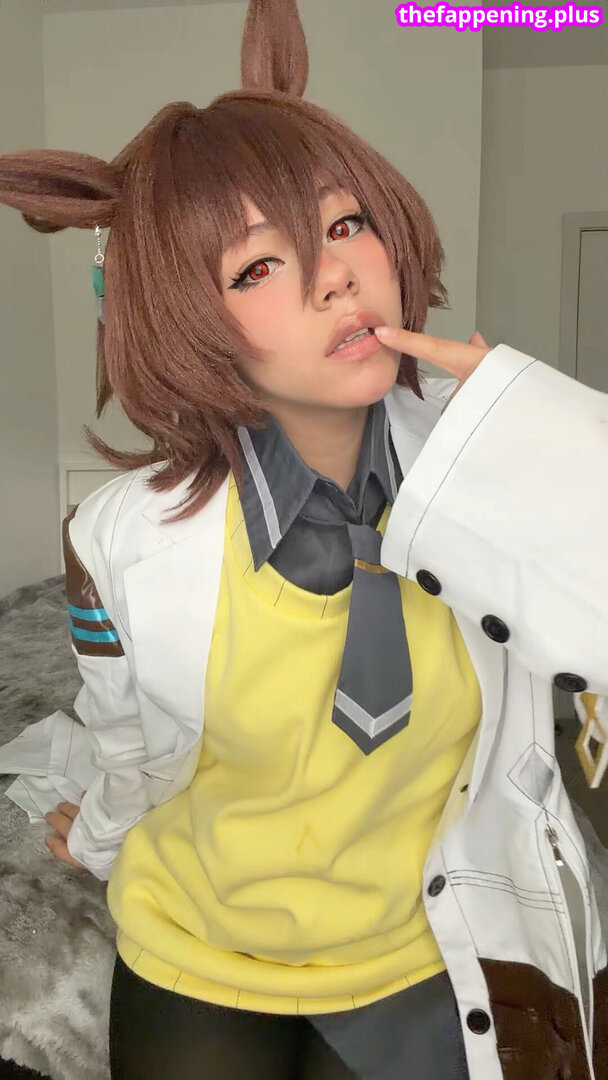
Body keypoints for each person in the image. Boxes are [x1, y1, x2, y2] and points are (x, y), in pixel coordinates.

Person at [0, 1, 607, 1078]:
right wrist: (95, 835)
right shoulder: (116, 541)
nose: (336, 276)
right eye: (255, 268)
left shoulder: (499, 472)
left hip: (424, 944)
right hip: (198, 939)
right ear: (184, 320)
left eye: (342, 225)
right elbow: (131, 747)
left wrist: (540, 435)